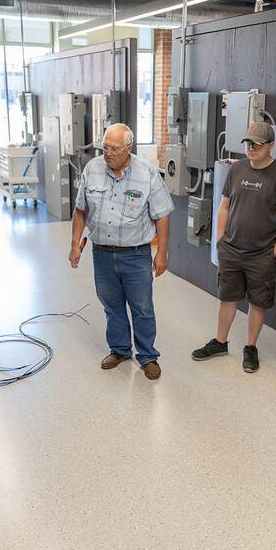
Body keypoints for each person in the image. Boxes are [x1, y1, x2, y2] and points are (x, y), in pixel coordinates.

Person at [69, 123, 174, 380]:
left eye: (114, 148)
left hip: (136, 254)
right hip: (102, 254)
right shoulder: (92, 169)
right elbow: (81, 209)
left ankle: (148, 356)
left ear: (129, 148)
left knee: (142, 307)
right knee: (112, 305)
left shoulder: (147, 173)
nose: (108, 152)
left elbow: (162, 215)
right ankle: (120, 350)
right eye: (105, 147)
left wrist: (162, 252)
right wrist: (75, 245)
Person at [191, 121, 276, 373]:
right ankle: (220, 341)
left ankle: (250, 347)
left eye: (257, 144)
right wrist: (219, 240)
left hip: (262, 254)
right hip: (231, 249)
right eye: (248, 143)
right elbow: (224, 205)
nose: (251, 148)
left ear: (271, 145)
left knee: (257, 302)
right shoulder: (236, 169)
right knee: (227, 297)